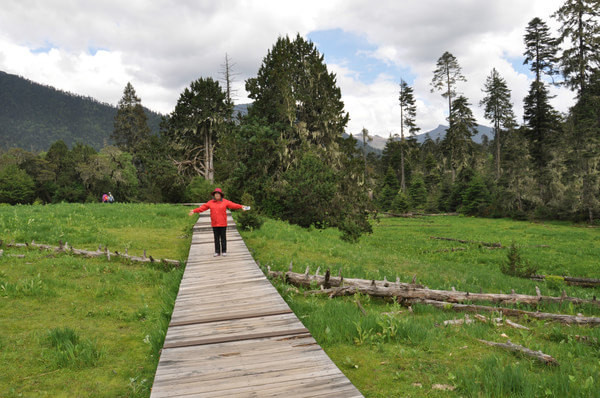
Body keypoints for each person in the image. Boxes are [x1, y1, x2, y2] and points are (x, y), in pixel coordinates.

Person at [188, 188, 249, 257]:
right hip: (215, 223)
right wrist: (194, 210)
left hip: (223, 223)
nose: (216, 195)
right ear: (214, 195)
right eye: (215, 194)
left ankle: (224, 251)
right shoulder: (210, 202)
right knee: (216, 238)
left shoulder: (225, 202)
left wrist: (241, 206)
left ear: (221, 195)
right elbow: (202, 208)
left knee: (223, 237)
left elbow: (233, 205)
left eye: (218, 194)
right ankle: (217, 251)